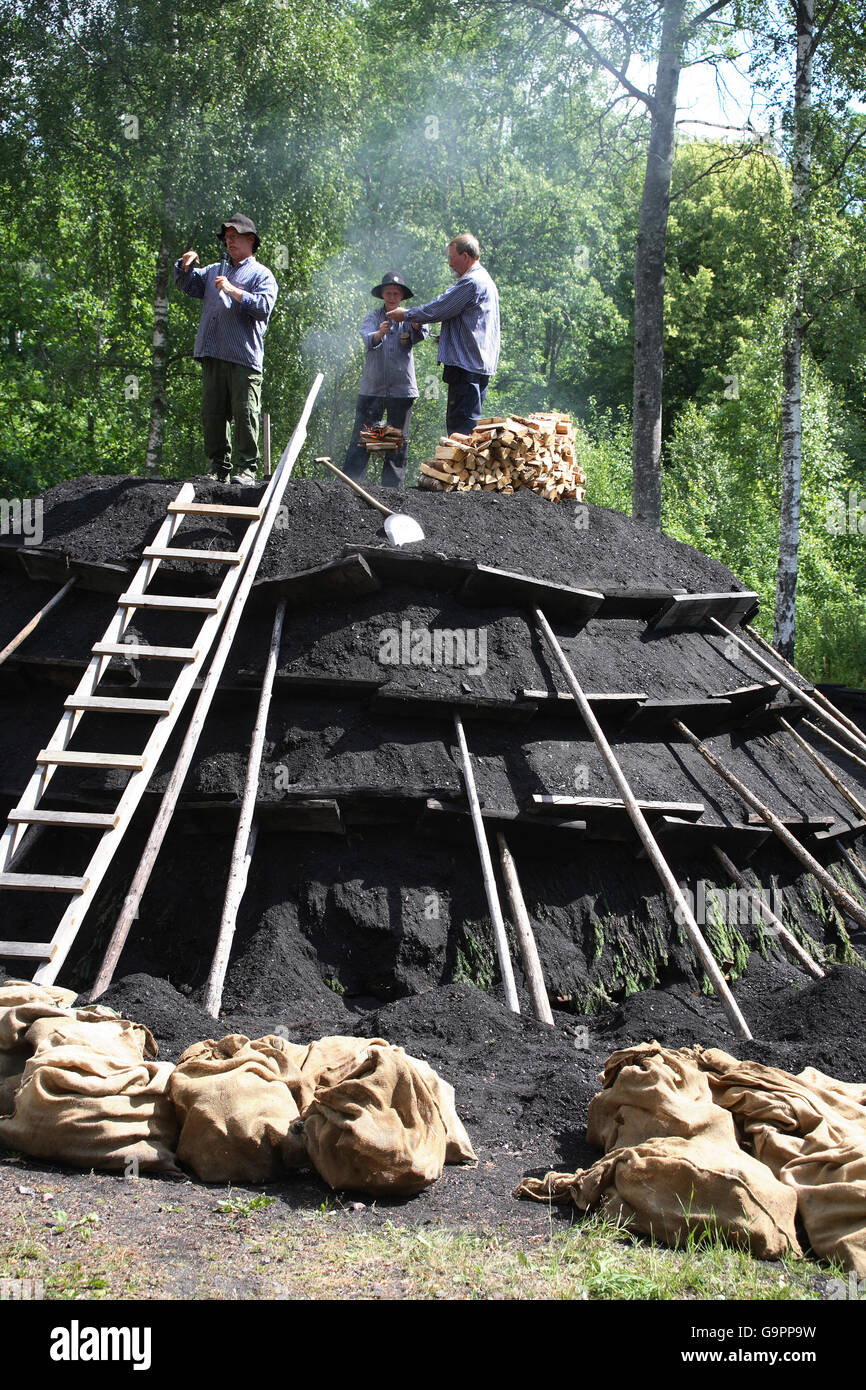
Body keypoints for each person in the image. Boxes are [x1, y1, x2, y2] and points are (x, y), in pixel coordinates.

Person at [174, 214, 278, 485]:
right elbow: (188, 284)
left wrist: (233, 290)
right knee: (213, 413)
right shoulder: (212, 270)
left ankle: (246, 470)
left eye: (235, 236)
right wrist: (185, 266)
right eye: (227, 238)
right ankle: (217, 468)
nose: (229, 241)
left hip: (243, 356)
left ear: (250, 240)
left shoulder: (261, 274)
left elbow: (263, 307)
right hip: (213, 352)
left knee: (245, 413)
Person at [385, 233, 499, 437]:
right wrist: (447, 337)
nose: (450, 264)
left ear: (465, 256)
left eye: (452, 257)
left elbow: (439, 309)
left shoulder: (472, 282)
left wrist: (406, 315)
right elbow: (471, 324)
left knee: (461, 432)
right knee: (468, 429)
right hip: (476, 366)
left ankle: (461, 468)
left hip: (466, 370)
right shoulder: (485, 280)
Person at [343, 271, 429, 488]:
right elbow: (366, 339)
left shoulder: (409, 316)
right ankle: (352, 484)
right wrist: (379, 333)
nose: (391, 297)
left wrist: (415, 323)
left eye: (395, 293)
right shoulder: (373, 317)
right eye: (388, 293)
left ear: (401, 296)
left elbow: (423, 332)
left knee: (397, 440)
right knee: (365, 437)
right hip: (373, 388)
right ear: (382, 295)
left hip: (402, 390)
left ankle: (392, 489)